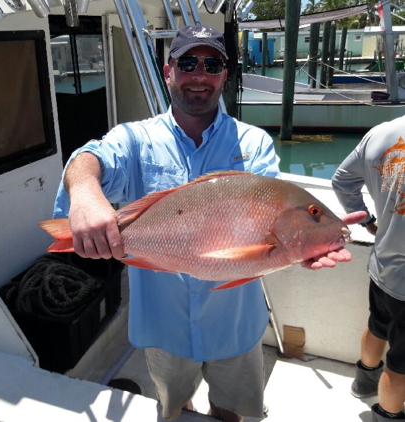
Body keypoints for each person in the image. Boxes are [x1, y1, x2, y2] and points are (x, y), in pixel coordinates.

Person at [54, 24, 364, 421]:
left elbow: (272, 223)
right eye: (187, 63)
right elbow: (89, 156)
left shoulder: (253, 143)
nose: (199, 75)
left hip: (233, 328)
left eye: (212, 64)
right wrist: (84, 192)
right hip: (163, 328)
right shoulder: (135, 139)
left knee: (231, 412)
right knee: (175, 408)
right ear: (169, 72)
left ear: (224, 75)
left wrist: (300, 247)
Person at [332, 115, 405, 422]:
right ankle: (388, 416)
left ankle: (364, 383)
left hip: (384, 266)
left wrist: (366, 221)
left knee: (378, 324)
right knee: (401, 365)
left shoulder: (382, 132)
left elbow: (342, 180)